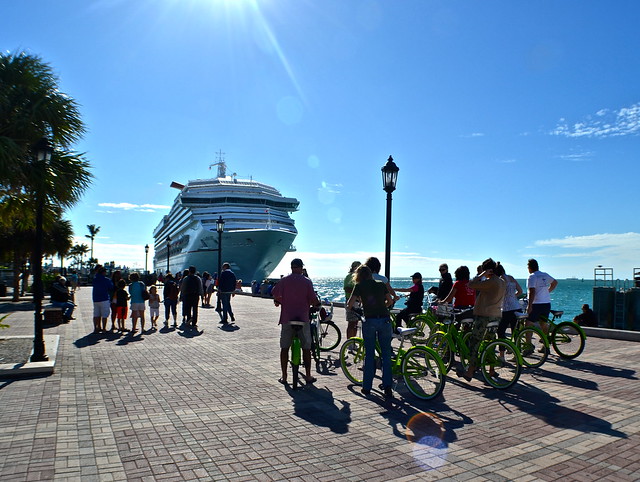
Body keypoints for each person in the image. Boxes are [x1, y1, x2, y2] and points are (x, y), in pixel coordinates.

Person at [346, 264, 394, 397]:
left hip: (370, 321)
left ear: (359, 276)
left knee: (369, 354)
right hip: (385, 320)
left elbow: (349, 304)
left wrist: (356, 309)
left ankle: (367, 387)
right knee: (386, 354)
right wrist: (382, 306)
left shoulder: (359, 286)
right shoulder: (380, 284)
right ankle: (388, 386)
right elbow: (390, 301)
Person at [272, 258, 320, 386]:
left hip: (287, 318)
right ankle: (308, 376)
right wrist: (316, 304)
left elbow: (275, 293)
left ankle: (284, 376)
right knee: (306, 347)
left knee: (284, 348)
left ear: (291, 267)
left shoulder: (284, 280)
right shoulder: (306, 281)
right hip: (303, 319)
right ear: (301, 267)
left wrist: (281, 300)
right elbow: (313, 299)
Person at [457, 258, 505, 382]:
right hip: (496, 315)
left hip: (484, 315)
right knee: (490, 342)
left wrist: (481, 274)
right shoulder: (501, 281)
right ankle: (491, 370)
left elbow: (471, 284)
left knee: (475, 341)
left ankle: (470, 370)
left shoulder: (490, 282)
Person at [526, 259, 558, 353]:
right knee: (543, 323)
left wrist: (529, 305)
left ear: (530, 268)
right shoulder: (544, 274)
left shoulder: (532, 277)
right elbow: (555, 282)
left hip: (536, 304)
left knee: (528, 324)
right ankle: (545, 346)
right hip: (546, 303)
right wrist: (548, 291)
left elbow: (532, 291)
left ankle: (528, 347)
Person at [494, 262, 523, 342]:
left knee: (501, 331)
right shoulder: (511, 277)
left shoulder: (500, 280)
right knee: (516, 332)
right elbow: (520, 291)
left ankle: (503, 350)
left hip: (507, 309)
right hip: (516, 307)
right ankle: (517, 350)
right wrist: (513, 296)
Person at [92, 266, 113, 334]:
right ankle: (104, 328)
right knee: (104, 315)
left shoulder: (95, 279)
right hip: (104, 298)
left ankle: (96, 328)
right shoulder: (106, 280)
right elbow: (111, 287)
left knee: (96, 314)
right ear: (103, 272)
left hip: (96, 298)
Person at [343, 261, 361, 339]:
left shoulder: (360, 277)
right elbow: (346, 288)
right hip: (351, 301)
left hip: (358, 302)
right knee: (351, 323)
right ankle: (349, 343)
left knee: (356, 324)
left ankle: (354, 341)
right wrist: (356, 293)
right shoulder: (349, 276)